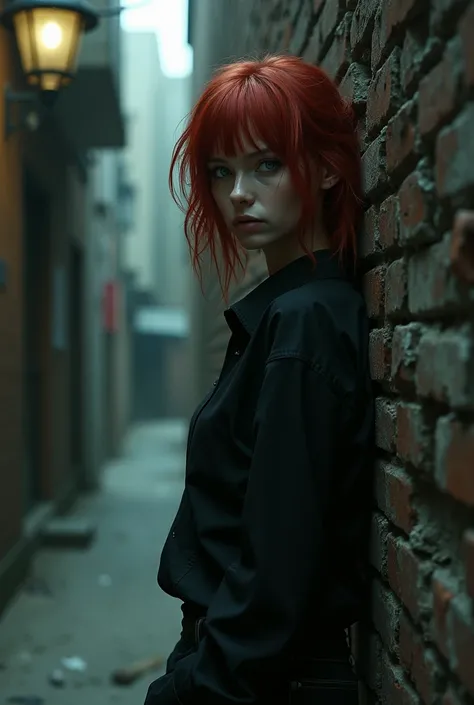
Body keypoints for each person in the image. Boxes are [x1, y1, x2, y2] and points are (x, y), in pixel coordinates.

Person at [144, 54, 374, 705]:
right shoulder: (288, 314)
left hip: (259, 684)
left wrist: (192, 691)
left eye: (265, 165)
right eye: (222, 171)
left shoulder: (302, 325)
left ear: (328, 167)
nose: (237, 191)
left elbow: (277, 564)